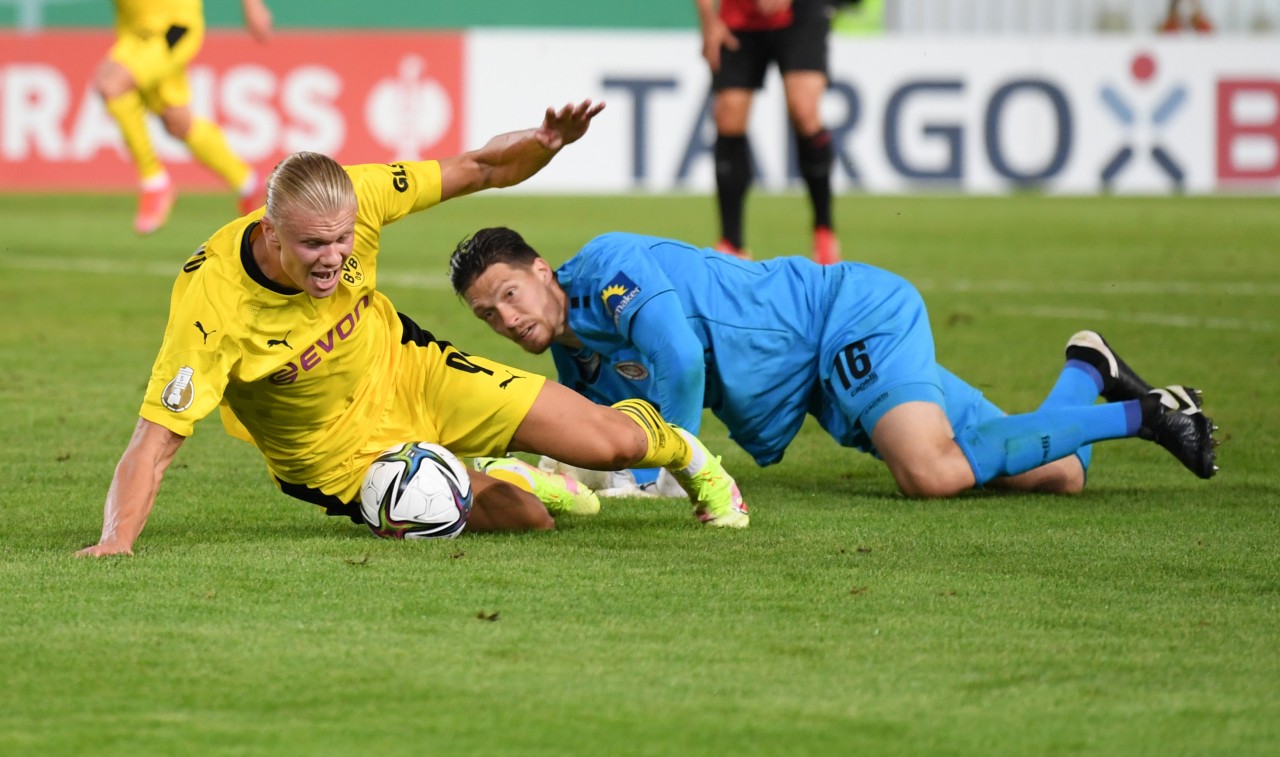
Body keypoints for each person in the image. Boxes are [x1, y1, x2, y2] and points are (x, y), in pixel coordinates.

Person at [77, 101, 751, 558]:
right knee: (530, 519)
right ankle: (505, 477)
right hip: (340, 461)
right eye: (313, 245)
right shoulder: (212, 304)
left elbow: (480, 168)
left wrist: (544, 145)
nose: (333, 258)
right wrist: (117, 541)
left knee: (608, 444)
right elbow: (155, 440)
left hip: (416, 372)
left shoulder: (361, 194)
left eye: (342, 241)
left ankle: (696, 461)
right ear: (269, 232)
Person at [449, 229, 1220, 502]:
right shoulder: (577, 360)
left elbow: (680, 359)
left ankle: (1150, 412)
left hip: (844, 319)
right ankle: (1089, 370)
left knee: (932, 473)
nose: (508, 319)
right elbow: (593, 427)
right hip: (815, 384)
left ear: (545, 271)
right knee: (1060, 474)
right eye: (489, 315)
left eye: (510, 294)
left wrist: (664, 470)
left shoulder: (611, 270)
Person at [96, 0, 274, 235]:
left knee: (112, 84)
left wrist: (252, 5)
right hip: (134, 29)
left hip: (171, 25)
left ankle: (155, 182)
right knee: (177, 122)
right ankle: (248, 183)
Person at [695, 0, 840, 264]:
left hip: (800, 13)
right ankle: (731, 243)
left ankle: (824, 229)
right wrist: (709, 21)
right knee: (728, 114)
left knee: (804, 110)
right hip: (740, 15)